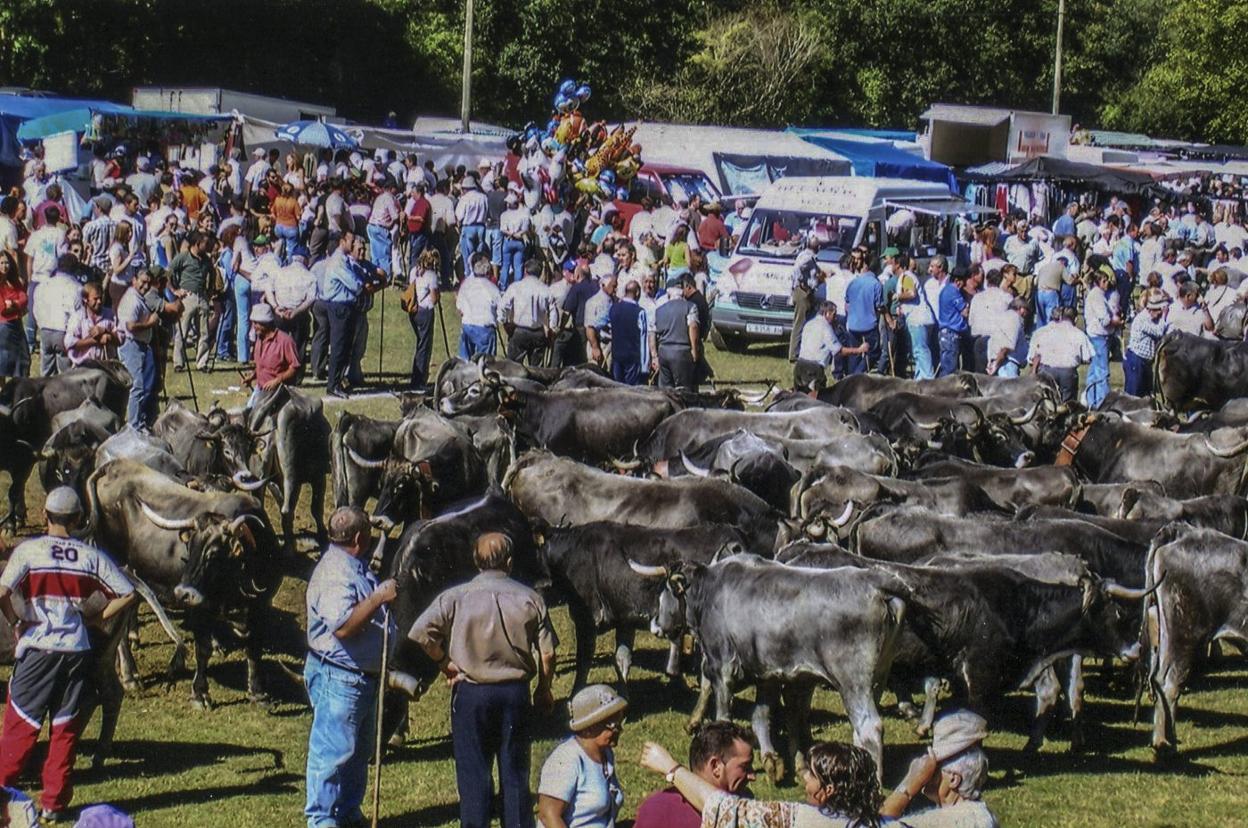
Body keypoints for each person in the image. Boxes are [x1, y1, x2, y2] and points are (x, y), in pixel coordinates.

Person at [0, 487, 136, 823]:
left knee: (21, 725)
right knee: (64, 728)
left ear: (45, 516)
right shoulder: (91, 557)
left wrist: (17, 620)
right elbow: (127, 592)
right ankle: (54, 804)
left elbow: (2, 591)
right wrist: (94, 617)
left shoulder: (29, 551)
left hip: (39, 648)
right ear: (77, 520)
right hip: (76, 650)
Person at [410, 532, 557, 828]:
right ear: (510, 562)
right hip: (514, 694)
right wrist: (543, 688)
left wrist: (445, 662)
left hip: (471, 694)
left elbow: (421, 633)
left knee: (474, 775)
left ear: (476, 562)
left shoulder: (455, 597)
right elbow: (548, 653)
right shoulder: (530, 598)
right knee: (515, 775)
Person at [304, 506, 397, 828]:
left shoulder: (351, 565)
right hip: (340, 679)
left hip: (360, 679)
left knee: (356, 753)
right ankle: (322, 821)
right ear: (360, 537)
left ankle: (347, 813)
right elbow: (343, 626)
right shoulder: (334, 573)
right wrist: (377, 598)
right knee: (332, 754)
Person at [640, 739, 883, 828]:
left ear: (828, 791)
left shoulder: (803, 820)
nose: (802, 778)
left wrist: (670, 768)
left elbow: (723, 807)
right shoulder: (872, 822)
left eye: (810, 774)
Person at [880, 710, 999, 827]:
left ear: (954, 779)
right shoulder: (982, 815)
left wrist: (910, 783)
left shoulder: (947, 822)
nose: (926, 769)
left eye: (934, 765)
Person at [537, 685, 628, 828]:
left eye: (620, 722)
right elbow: (548, 815)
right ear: (589, 727)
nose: (619, 730)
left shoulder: (605, 753)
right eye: (612, 725)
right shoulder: (566, 759)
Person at [634, 721, 756, 828]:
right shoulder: (660, 810)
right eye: (745, 767)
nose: (753, 776)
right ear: (715, 766)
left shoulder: (742, 805)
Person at [116, 267, 161, 428]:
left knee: (144, 385)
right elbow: (130, 326)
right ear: (134, 280)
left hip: (140, 345)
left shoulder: (138, 297)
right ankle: (134, 425)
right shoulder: (132, 300)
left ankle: (139, 421)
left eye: (148, 283)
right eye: (142, 282)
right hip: (132, 345)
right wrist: (150, 323)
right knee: (137, 386)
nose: (146, 286)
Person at [321, 232, 364, 398]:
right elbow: (354, 284)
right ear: (342, 242)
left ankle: (338, 381)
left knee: (345, 347)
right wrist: (361, 284)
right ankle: (333, 385)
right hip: (339, 307)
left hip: (346, 306)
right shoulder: (338, 261)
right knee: (339, 347)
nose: (353, 245)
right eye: (351, 241)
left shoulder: (344, 259)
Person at [794, 300, 869, 392]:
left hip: (799, 366)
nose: (836, 318)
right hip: (813, 369)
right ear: (827, 313)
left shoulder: (809, 324)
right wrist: (859, 350)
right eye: (834, 315)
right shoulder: (825, 327)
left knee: (799, 397)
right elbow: (839, 351)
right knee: (816, 400)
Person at [169, 230, 216, 373]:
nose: (207, 246)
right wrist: (174, 290)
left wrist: (209, 291)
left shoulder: (206, 260)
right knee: (182, 331)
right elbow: (169, 272)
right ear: (197, 244)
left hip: (201, 297)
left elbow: (212, 273)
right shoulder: (183, 257)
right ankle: (178, 362)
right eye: (205, 243)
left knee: (204, 332)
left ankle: (202, 363)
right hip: (187, 297)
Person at [1028, 307, 1094, 403]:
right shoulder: (1079, 334)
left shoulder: (1045, 332)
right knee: (1067, 404)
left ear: (1060, 317)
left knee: (1046, 402)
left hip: (1046, 371)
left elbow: (1035, 354)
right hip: (1068, 373)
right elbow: (1087, 357)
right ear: (1075, 319)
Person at [33, 257, 83, 377]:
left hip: (45, 330)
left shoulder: (43, 285)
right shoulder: (76, 287)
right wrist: (71, 335)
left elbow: (36, 309)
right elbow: (77, 315)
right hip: (62, 331)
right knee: (66, 375)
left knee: (46, 372)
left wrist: (41, 325)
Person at [243, 303, 299, 408]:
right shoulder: (259, 339)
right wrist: (253, 376)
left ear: (266, 323)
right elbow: (263, 366)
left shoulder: (285, 341)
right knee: (248, 414)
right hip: (261, 389)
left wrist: (277, 380)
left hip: (279, 392)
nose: (254, 327)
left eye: (256, 323)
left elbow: (294, 367)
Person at [500, 258, 554, 366]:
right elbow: (553, 311)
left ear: (525, 271)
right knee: (537, 370)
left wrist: (505, 322)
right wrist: (552, 329)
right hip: (538, 332)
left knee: (513, 368)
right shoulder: (545, 290)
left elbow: (503, 306)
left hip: (519, 331)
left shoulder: (516, 287)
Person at [652, 274, 701, 390]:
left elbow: (652, 333)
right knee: (683, 389)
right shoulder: (691, 307)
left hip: (663, 351)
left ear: (668, 294)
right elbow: (693, 327)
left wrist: (654, 356)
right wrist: (694, 350)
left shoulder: (659, 310)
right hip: (682, 352)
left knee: (665, 390)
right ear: (682, 292)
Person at [1083, 266, 1120, 409]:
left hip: (1095, 335)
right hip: (1099, 336)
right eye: (1104, 281)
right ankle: (1103, 402)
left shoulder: (1097, 295)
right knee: (1103, 371)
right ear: (1097, 282)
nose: (1107, 284)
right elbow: (1104, 320)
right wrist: (1115, 322)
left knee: (1094, 371)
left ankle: (1091, 399)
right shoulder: (1097, 296)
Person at [406, 249, 440, 390]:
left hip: (414, 310)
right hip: (425, 311)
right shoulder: (431, 275)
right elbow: (433, 298)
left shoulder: (414, 271)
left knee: (420, 343)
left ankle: (417, 378)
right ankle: (420, 381)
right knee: (424, 346)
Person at [1125, 289, 1171, 396]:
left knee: (1146, 395)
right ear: (1152, 309)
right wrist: (1164, 316)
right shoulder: (1142, 319)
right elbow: (1158, 332)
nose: (1160, 314)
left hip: (1145, 362)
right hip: (1136, 360)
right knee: (1133, 395)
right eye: (1159, 311)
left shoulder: (1152, 319)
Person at [457, 254, 502, 359]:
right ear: (487, 271)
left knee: (465, 361)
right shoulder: (492, 288)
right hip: (485, 328)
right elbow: (501, 309)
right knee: (486, 363)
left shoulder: (466, 284)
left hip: (467, 325)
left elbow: (459, 306)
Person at [64, 282, 119, 366]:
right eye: (95, 299)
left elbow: (120, 339)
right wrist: (96, 341)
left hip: (106, 365)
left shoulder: (110, 314)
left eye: (101, 298)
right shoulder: (78, 317)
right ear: (85, 299)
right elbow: (69, 343)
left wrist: (108, 334)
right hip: (84, 366)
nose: (99, 301)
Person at [844, 259, 883, 375]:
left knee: (854, 354)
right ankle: (858, 374)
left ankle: (851, 378)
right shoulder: (876, 284)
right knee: (873, 352)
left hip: (853, 323)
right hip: (869, 324)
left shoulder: (853, 282)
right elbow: (879, 305)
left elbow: (847, 302)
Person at [789, 236, 822, 362]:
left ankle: (802, 351)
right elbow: (797, 270)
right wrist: (802, 284)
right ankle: (793, 354)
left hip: (806, 292)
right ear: (818, 247)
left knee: (806, 322)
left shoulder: (807, 256)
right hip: (802, 292)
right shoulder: (807, 257)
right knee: (799, 323)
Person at [609, 279, 648, 385]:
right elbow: (643, 339)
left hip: (616, 356)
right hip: (632, 358)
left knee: (617, 389)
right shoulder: (640, 312)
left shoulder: (613, 308)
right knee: (631, 392)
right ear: (637, 293)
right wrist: (645, 367)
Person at [936, 263, 970, 377]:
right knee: (949, 370)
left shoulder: (945, 290)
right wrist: (968, 305)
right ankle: (943, 393)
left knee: (947, 366)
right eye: (964, 282)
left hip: (947, 334)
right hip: (951, 334)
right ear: (958, 281)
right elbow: (965, 312)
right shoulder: (953, 291)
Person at [0, 250, 28, 378]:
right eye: (1, 263)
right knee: (3, 362)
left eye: (6, 263)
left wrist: (13, 304)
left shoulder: (15, 282)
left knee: (21, 360)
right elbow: (2, 308)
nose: (4, 266)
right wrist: (12, 305)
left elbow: (24, 299)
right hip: (3, 327)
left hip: (17, 325)